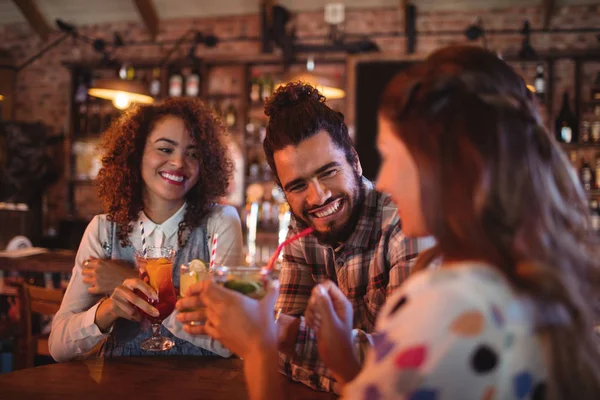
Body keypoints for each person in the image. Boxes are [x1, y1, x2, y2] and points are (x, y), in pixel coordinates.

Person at [177, 45, 600, 399]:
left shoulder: (448, 304)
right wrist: (342, 353)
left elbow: (304, 355)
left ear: (450, 167)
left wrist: (258, 348)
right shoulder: (498, 282)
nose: (388, 181)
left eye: (394, 158)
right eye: (299, 185)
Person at [178, 82, 428, 392]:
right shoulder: (302, 228)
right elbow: (279, 351)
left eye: (328, 172)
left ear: (354, 160)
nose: (318, 196)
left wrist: (284, 340)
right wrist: (280, 341)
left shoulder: (406, 224)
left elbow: (410, 367)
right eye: (297, 186)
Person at [49, 98, 244, 362]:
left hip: (202, 386)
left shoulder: (219, 223)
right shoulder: (103, 230)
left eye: (193, 153)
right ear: (136, 152)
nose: (178, 162)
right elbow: (58, 347)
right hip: (122, 386)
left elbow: (230, 340)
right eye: (165, 149)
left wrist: (129, 279)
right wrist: (107, 311)